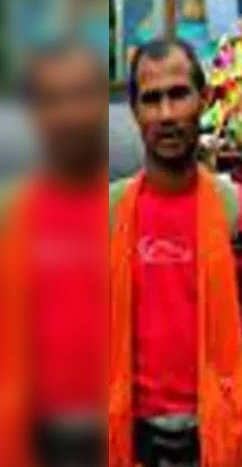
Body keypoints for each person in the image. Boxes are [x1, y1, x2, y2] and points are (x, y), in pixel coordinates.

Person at [108, 38, 242, 467]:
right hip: (126, 445)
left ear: (204, 100)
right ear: (135, 113)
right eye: (152, 99)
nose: (166, 114)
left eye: (179, 94)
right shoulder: (106, 217)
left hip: (223, 447)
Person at [0, 41, 108, 467]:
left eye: (81, 96)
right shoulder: (12, 219)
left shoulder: (130, 208)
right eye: (54, 99)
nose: (70, 114)